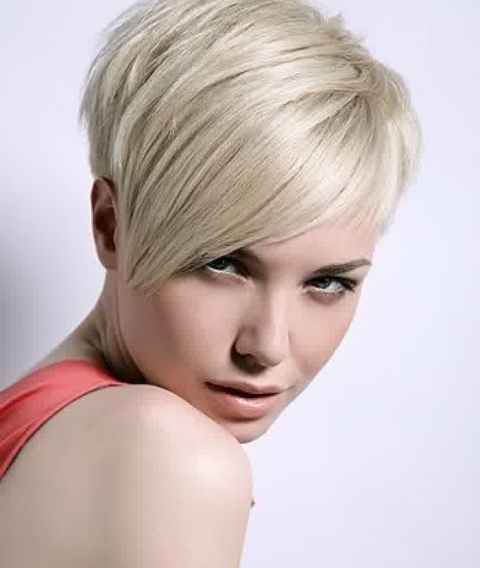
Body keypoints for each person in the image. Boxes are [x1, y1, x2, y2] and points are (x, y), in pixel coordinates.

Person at [0, 0, 422, 565]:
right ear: (110, 225)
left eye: (327, 283)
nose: (267, 346)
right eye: (223, 263)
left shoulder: (33, 422)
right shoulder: (166, 456)